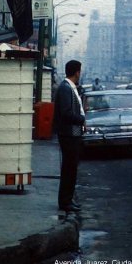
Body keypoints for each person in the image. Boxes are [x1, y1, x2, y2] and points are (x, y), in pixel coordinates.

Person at [53, 59, 86, 212]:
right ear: (77, 72)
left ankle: (68, 199)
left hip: (72, 133)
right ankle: (65, 202)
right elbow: (66, 113)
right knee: (69, 168)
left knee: (71, 168)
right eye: (80, 71)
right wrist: (81, 119)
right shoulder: (66, 88)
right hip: (68, 134)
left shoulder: (70, 87)